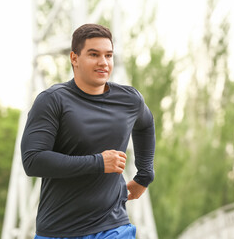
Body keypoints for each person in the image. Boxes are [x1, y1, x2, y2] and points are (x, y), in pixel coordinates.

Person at [21, 23, 155, 239]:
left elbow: (146, 125)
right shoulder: (52, 101)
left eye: (108, 55)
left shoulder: (129, 100)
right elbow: (33, 160)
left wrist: (145, 175)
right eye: (94, 54)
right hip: (58, 230)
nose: (103, 63)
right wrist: (99, 162)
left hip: (114, 227)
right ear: (74, 58)